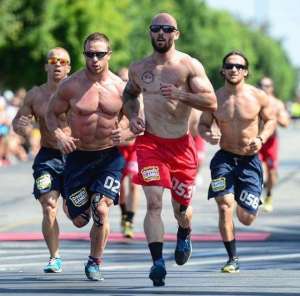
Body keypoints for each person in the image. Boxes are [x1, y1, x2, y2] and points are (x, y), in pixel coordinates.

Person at [123, 13, 217, 286]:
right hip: (150, 143)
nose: (161, 33)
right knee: (153, 203)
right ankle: (157, 262)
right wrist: (132, 115)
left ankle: (184, 232)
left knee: (180, 210)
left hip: (181, 147)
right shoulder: (139, 68)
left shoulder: (189, 66)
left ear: (177, 33)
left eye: (167, 29)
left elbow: (211, 101)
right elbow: (129, 94)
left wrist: (181, 94)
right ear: (150, 33)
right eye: (156, 29)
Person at [46, 32, 134, 281]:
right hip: (78, 157)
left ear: (109, 55)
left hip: (109, 157)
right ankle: (72, 202)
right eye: (89, 54)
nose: (94, 59)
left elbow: (139, 122)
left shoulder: (120, 87)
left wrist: (126, 133)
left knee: (101, 209)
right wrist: (60, 136)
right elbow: (52, 114)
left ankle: (94, 261)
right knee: (79, 219)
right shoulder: (71, 85)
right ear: (84, 55)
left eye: (99, 54)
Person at [198, 51, 276, 273]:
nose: (234, 69)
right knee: (224, 205)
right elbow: (203, 126)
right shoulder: (214, 99)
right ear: (222, 70)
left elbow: (270, 121)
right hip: (224, 159)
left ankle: (250, 201)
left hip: (250, 161)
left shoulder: (258, 96)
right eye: (229, 66)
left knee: (247, 218)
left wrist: (261, 139)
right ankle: (232, 258)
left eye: (239, 66)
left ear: (246, 71)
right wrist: (208, 135)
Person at [12, 47, 71, 272]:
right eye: (53, 60)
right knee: (49, 205)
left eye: (63, 61)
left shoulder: (78, 91)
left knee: (77, 214)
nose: (57, 64)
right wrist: (21, 127)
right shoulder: (35, 94)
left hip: (76, 156)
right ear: (46, 65)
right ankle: (54, 256)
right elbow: (19, 123)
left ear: (68, 67)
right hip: (48, 156)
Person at [258, 77, 290, 212]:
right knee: (256, 168)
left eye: (268, 85)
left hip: (271, 142)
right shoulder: (254, 100)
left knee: (272, 172)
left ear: (272, 88)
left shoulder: (277, 103)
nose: (265, 88)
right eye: (262, 85)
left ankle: (269, 195)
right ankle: (255, 196)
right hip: (257, 140)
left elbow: (285, 123)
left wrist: (275, 117)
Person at [117, 67, 140, 238]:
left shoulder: (139, 100)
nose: (125, 83)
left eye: (127, 80)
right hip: (117, 149)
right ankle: (124, 214)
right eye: (121, 79)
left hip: (134, 149)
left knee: (133, 182)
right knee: (119, 187)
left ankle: (130, 220)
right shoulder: (113, 99)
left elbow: (144, 127)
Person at [189, 108, 207, 186]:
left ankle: (196, 174)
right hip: (186, 135)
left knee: (199, 158)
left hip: (198, 136)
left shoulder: (199, 105)